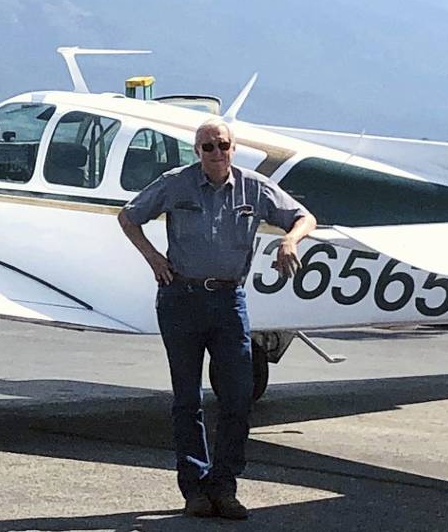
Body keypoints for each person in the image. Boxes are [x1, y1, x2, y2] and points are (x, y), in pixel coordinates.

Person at [118, 118, 315, 520]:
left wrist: (289, 240)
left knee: (238, 398)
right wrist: (154, 258)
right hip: (181, 299)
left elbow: (303, 217)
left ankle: (224, 487)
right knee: (187, 400)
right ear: (197, 152)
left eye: (222, 145)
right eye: (207, 147)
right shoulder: (176, 183)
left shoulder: (253, 187)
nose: (216, 152)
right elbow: (128, 216)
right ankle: (194, 489)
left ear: (233, 148)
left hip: (229, 302)